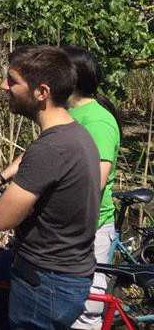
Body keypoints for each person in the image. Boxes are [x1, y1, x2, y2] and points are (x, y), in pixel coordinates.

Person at [0, 45, 100, 330]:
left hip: (45, 284)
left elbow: (2, 219)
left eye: (12, 81)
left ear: (42, 92)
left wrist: (5, 199)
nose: (4, 86)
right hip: (64, 274)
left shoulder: (51, 148)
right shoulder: (76, 134)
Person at [63, 46, 120, 329]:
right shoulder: (65, 114)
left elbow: (93, 184)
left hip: (91, 229)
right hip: (67, 231)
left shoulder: (97, 121)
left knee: (88, 310)